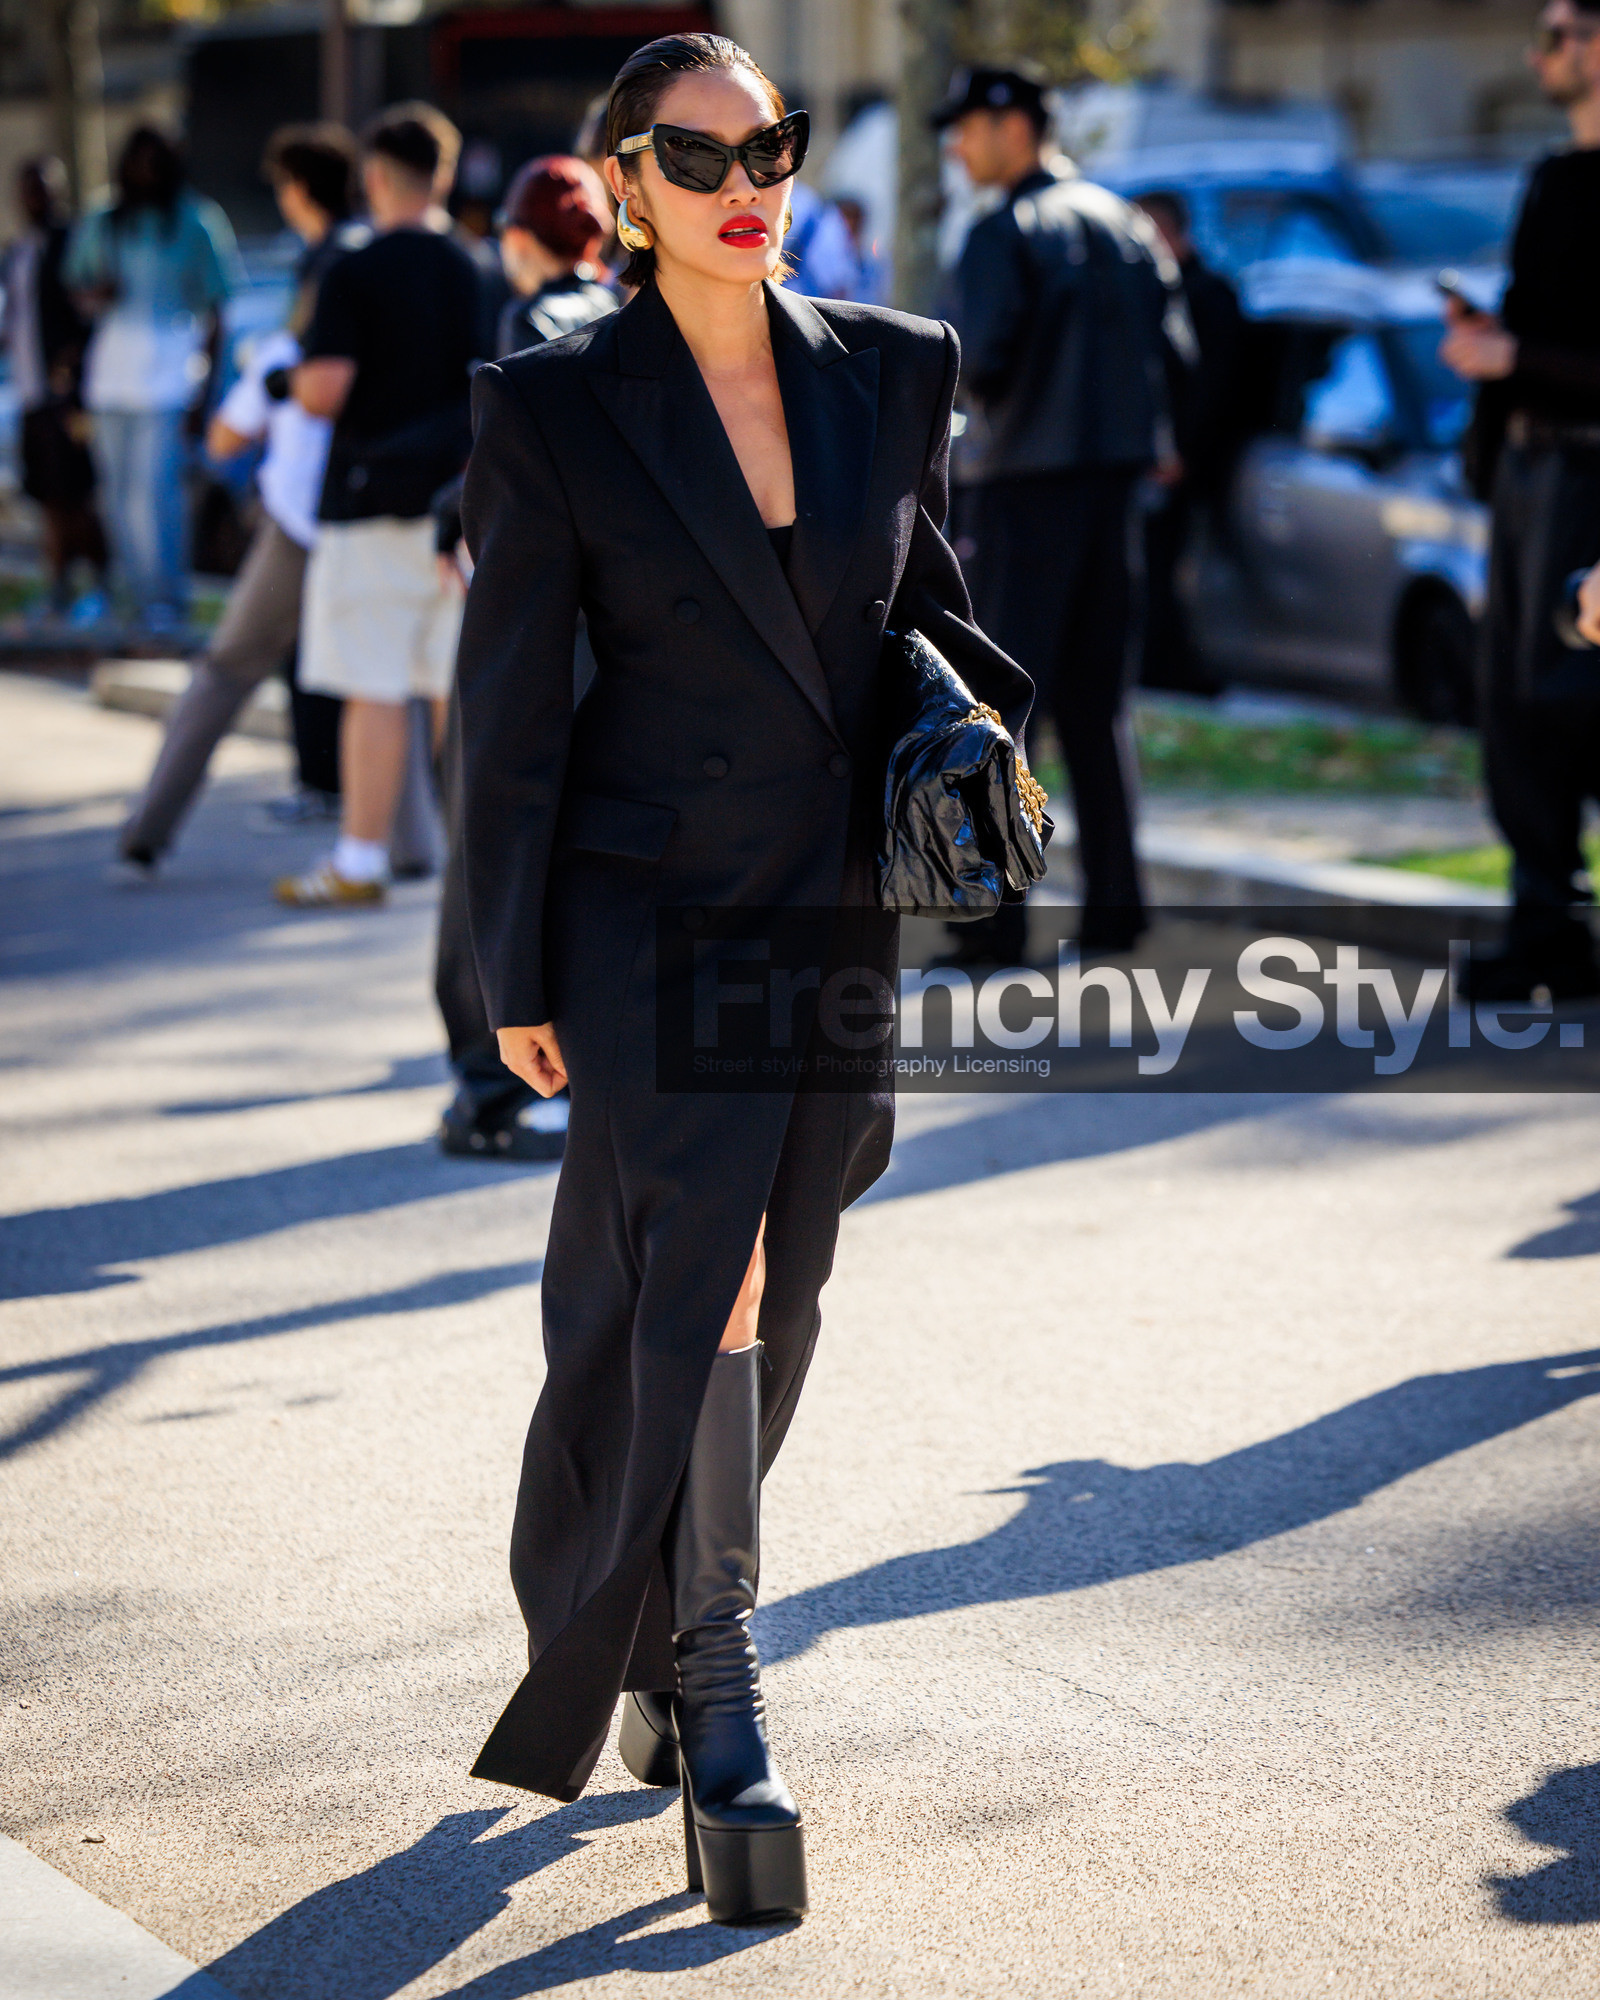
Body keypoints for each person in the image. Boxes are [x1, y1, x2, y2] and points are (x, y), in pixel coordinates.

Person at [455, 31, 1030, 1922]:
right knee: (716, 1260)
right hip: (646, 903)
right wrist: (501, 966)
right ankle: (714, 1686)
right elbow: (513, 714)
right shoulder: (554, 408)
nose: (741, 184)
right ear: (623, 185)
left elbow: (909, 604)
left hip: (835, 898)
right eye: (693, 159)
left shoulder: (897, 367)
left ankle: (628, 1603)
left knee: (793, 1248)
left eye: (765, 145)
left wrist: (975, 730)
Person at [934, 65, 1190, 961]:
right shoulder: (1126, 226)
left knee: (998, 706)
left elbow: (980, 359)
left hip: (1021, 492)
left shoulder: (1002, 232)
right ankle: (1118, 909)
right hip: (1113, 492)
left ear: (1013, 126)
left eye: (966, 129)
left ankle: (997, 926)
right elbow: (1177, 357)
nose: (958, 148)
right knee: (1097, 705)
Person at [433, 153, 616, 1161]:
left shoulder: (525, 329)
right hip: (625, 631)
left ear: (517, 240)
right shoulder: (641, 322)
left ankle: (485, 1080)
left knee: (491, 828)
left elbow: (498, 472)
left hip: (537, 618)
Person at [115, 127, 359, 878]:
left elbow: (303, 378)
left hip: (305, 504)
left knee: (227, 667)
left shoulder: (330, 265)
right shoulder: (372, 252)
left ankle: (148, 825)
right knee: (386, 686)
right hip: (369, 499)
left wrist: (264, 389)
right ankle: (411, 847)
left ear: (297, 187)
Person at [275, 109, 482, 909]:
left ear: (373, 178)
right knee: (451, 690)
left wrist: (283, 385)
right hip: (462, 501)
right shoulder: (479, 266)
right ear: (444, 174)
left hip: (370, 500)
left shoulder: (354, 272)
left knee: (374, 687)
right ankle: (469, 864)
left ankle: (360, 860)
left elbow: (324, 389)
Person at [1440, 0, 1600, 1001]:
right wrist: (1489, 351)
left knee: (1574, 696)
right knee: (1512, 703)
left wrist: (1517, 355)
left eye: (1560, 34)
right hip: (1528, 471)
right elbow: (1536, 332)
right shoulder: (1550, 178)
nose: (1540, 54)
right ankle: (1547, 924)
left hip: (1594, 472)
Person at [64, 126, 240, 634]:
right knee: (116, 494)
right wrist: (97, 294)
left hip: (167, 380)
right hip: (110, 381)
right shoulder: (105, 220)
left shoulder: (196, 221)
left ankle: (167, 602)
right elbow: (77, 288)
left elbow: (217, 311)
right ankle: (139, 601)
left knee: (154, 494)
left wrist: (206, 394)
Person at [1136, 190, 1242, 697]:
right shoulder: (1161, 288)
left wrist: (1180, 450)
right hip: (1167, 457)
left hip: (1191, 464)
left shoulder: (1207, 295)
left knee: (1173, 572)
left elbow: (1212, 386)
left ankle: (1179, 670)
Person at [2, 157, 107, 622]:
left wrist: (73, 370)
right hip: (29, 392)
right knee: (46, 494)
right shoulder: (16, 251)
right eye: (28, 189)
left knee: (77, 492)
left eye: (43, 189)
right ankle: (58, 585)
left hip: (68, 395)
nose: (35, 198)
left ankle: (100, 584)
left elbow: (89, 313)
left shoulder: (75, 242)